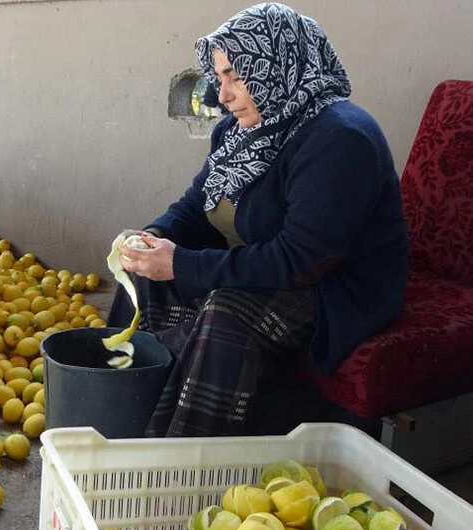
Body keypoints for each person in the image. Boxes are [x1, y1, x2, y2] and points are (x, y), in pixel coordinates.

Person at [108, 2, 409, 437]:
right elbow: (199, 205)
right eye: (220, 78)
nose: (222, 94)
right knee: (143, 280)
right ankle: (120, 420)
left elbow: (300, 261)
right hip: (271, 264)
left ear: (277, 64)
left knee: (225, 310)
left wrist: (183, 264)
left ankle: (186, 457)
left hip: (334, 288)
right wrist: (153, 237)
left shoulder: (341, 138)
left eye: (236, 76)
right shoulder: (241, 131)